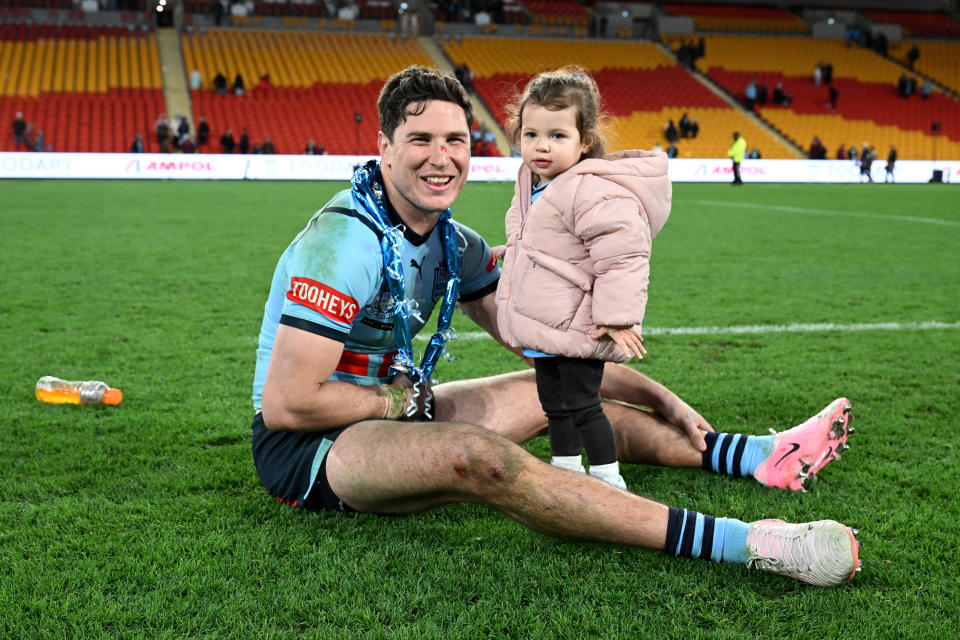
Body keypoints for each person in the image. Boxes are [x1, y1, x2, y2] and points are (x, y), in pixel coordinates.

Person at [250, 65, 861, 589]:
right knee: (478, 458)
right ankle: (749, 543)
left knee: (561, 394)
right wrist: (394, 399)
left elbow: (542, 344)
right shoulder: (342, 244)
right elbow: (287, 405)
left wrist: (661, 397)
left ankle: (757, 455)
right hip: (317, 447)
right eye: (420, 139)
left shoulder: (452, 243)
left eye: (456, 139)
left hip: (402, 409)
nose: (442, 158)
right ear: (383, 145)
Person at [498, 67, 662, 489]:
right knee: (553, 404)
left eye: (557, 135)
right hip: (548, 321)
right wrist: (507, 256)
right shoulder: (532, 183)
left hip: (581, 323)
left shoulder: (590, 189)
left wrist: (617, 316)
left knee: (585, 405)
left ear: (584, 141)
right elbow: (538, 241)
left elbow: (623, 254)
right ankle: (566, 472)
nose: (541, 146)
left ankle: (608, 480)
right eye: (531, 134)